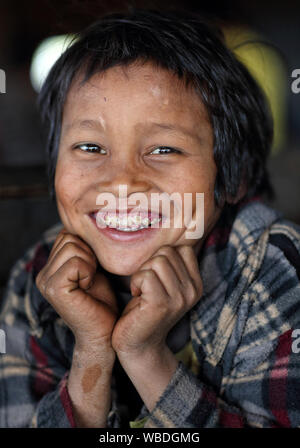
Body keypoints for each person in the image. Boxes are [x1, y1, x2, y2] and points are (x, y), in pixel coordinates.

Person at [0, 8, 300, 428]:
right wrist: (92, 353)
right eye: (90, 147)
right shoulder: (37, 280)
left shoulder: (269, 268)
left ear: (235, 178)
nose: (122, 181)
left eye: (164, 149)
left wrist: (145, 357)